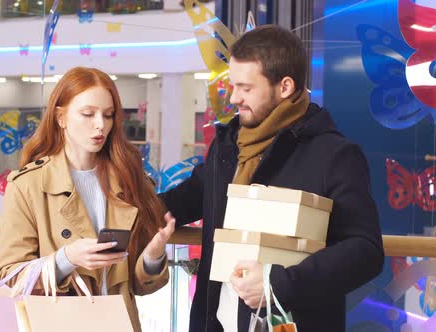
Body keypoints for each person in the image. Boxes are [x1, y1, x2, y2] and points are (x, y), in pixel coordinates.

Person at [160, 24, 384, 332]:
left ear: (285, 87)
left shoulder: (334, 155)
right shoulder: (228, 145)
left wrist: (277, 283)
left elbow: (365, 251)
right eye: (232, 85)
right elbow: (186, 199)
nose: (234, 98)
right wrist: (120, 204)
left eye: (246, 88)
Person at [0, 67, 175, 332]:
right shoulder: (28, 185)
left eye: (108, 115)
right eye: (88, 114)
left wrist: (152, 257)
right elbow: (10, 278)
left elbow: (138, 286)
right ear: (61, 117)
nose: (100, 124)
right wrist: (68, 258)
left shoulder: (130, 180)